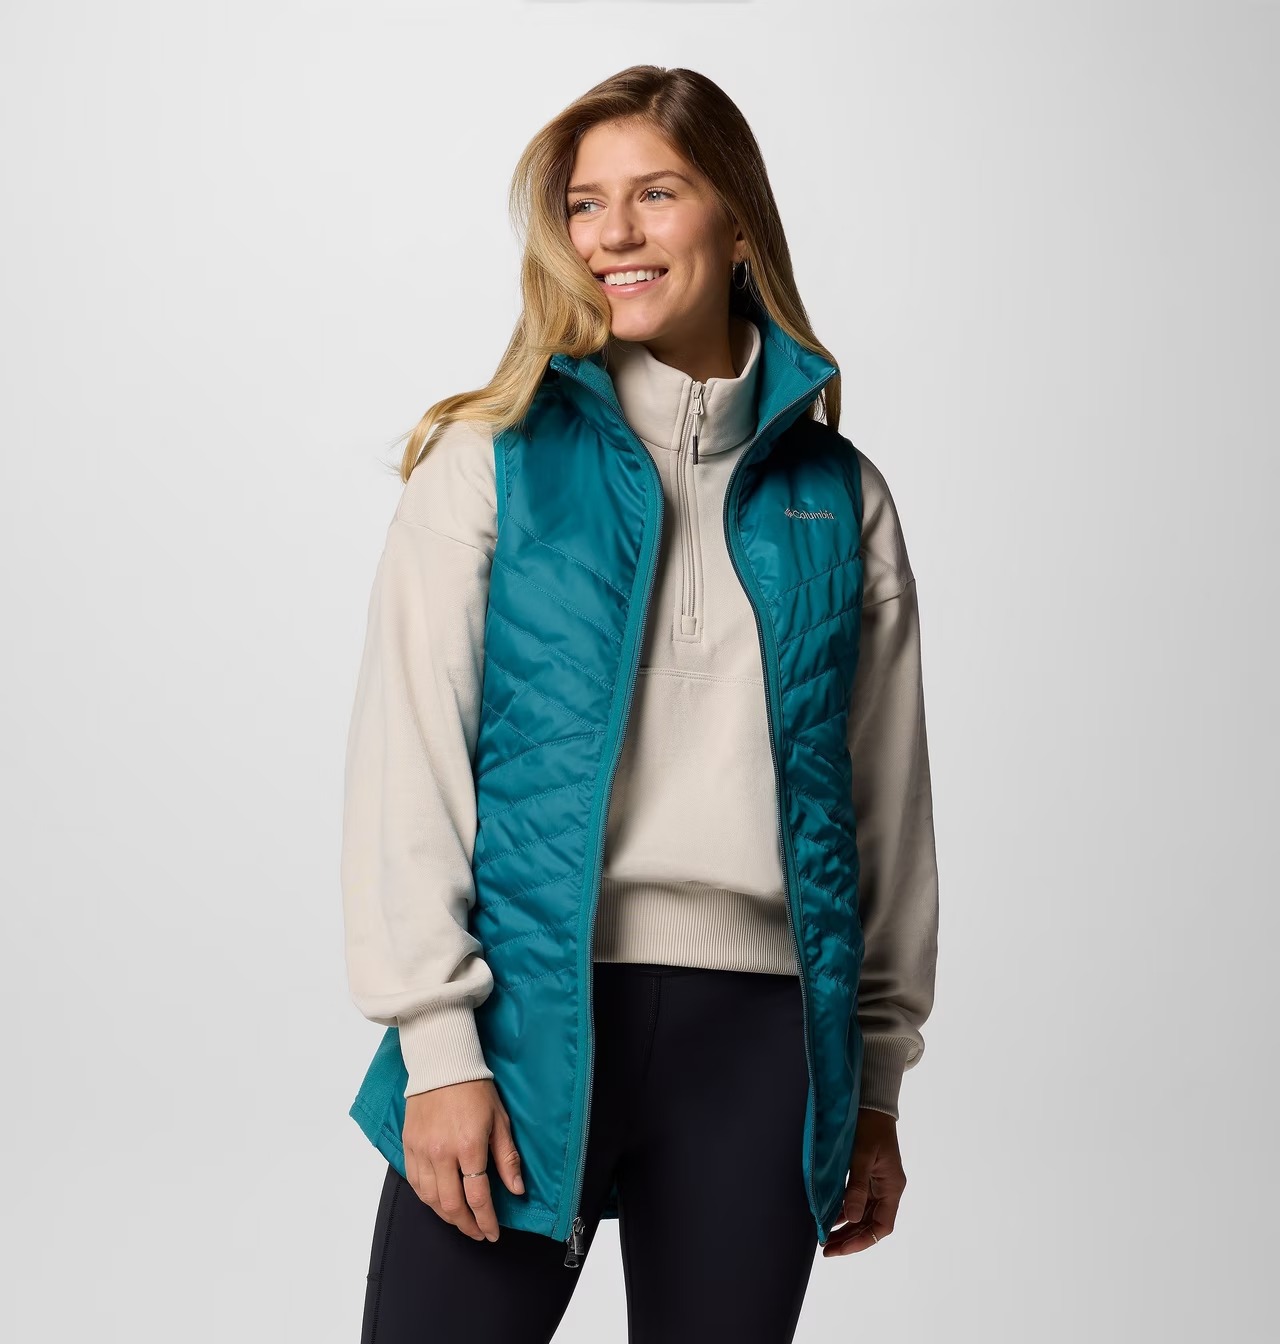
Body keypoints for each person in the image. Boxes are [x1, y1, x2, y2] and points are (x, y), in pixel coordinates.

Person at [340, 64, 939, 1344]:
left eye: (654, 194)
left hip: (762, 1049)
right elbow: (407, 767)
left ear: (737, 224)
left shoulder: (840, 498)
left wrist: (875, 1083)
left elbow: (885, 810)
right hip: (524, 1021)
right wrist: (438, 1047)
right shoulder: (488, 462)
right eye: (583, 203)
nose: (611, 233)